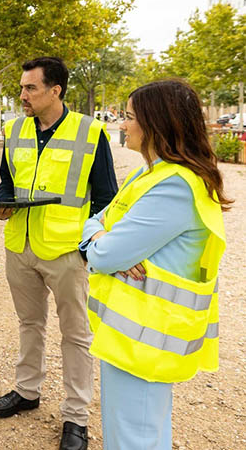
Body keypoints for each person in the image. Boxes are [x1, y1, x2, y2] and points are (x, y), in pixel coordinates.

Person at [81, 79, 229, 449]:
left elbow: (104, 255)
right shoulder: (153, 174)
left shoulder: (173, 185)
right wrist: (100, 235)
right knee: (141, 431)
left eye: (129, 117)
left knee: (134, 438)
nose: (121, 124)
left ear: (157, 124)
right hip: (135, 334)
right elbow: (98, 219)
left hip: (144, 340)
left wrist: (103, 242)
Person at [0, 57, 118, 450]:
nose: (22, 95)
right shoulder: (14, 129)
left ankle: (76, 417)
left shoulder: (90, 132)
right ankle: (27, 392)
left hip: (67, 252)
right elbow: (7, 181)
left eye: (31, 88)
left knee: (76, 335)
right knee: (30, 324)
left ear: (55, 91)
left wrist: (88, 248)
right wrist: (2, 204)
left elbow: (107, 198)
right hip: (20, 246)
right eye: (22, 88)